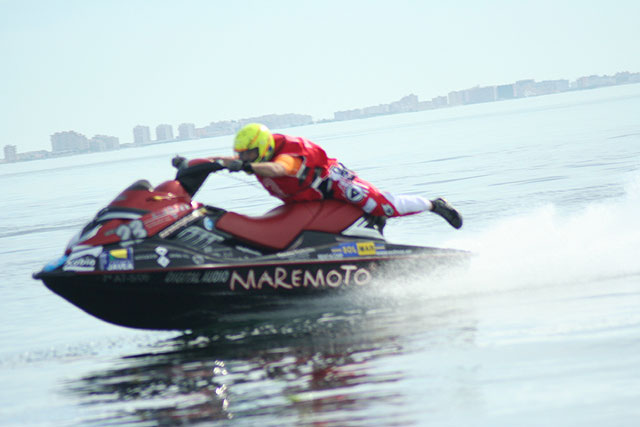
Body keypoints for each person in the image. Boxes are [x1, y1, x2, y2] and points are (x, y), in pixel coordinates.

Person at [211, 123, 463, 229]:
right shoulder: (253, 159)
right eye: (243, 155)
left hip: (333, 183)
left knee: (380, 206)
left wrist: (246, 167)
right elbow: (227, 161)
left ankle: (433, 204)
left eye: (251, 154)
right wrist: (194, 163)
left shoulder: (287, 152)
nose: (247, 159)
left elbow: (281, 169)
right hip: (306, 198)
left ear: (264, 145)